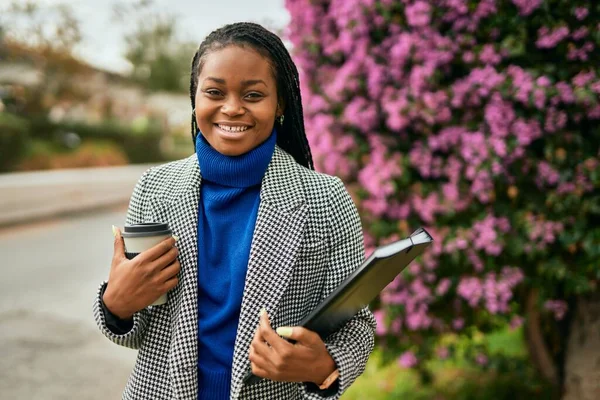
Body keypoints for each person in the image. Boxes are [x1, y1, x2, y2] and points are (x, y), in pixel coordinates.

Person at [93, 22, 375, 400]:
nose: (231, 108)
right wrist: (115, 305)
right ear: (194, 98)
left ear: (280, 104)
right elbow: (136, 327)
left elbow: (356, 324)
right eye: (214, 91)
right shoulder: (155, 188)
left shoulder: (324, 198)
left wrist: (323, 366)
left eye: (253, 94)